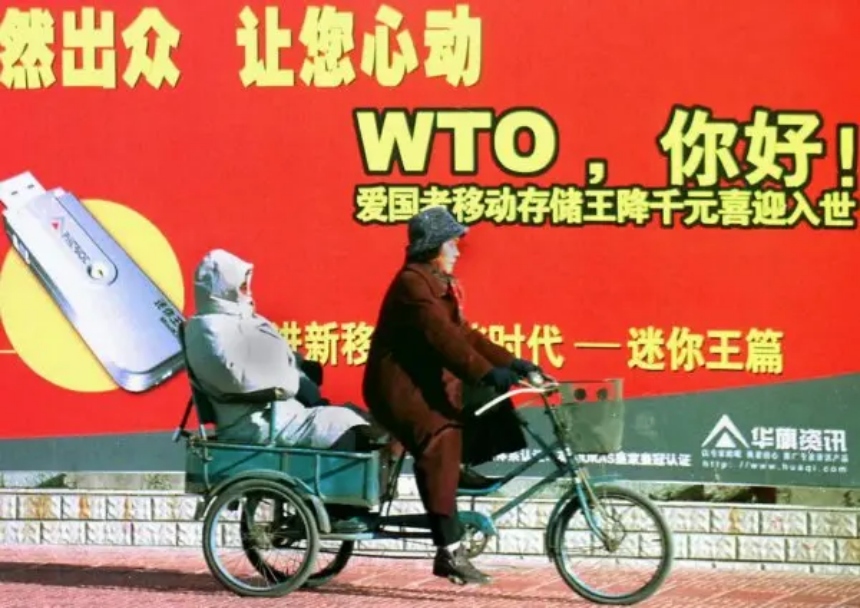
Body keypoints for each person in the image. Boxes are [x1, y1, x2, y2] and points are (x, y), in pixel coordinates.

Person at [362, 206, 541, 585]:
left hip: (422, 383)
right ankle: (449, 550)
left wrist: (512, 363)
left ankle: (455, 469)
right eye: (452, 244)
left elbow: (466, 335)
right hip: (397, 390)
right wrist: (486, 371)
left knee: (484, 399)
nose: (458, 252)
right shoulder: (413, 284)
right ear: (433, 247)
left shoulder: (435, 282)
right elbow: (443, 339)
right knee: (440, 438)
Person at [183, 248, 385, 454]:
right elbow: (238, 377)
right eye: (241, 286)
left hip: (276, 412)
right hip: (256, 423)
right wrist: (288, 375)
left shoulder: (235, 320)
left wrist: (295, 366)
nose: (247, 291)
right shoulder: (210, 329)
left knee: (353, 419)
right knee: (344, 429)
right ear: (224, 288)